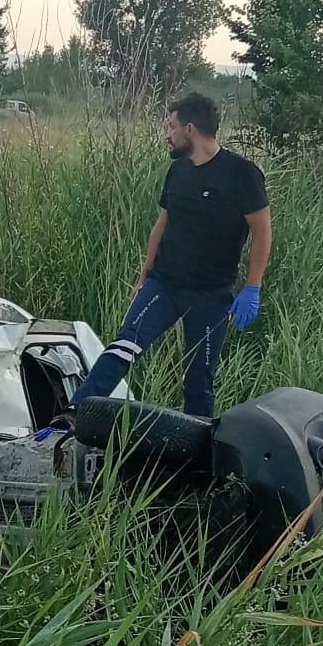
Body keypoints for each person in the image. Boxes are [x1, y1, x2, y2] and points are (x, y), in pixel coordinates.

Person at [64, 90, 271, 425]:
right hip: (165, 285)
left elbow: (262, 231)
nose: (167, 134)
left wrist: (252, 288)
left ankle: (197, 457)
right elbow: (162, 225)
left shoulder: (241, 174)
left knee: (199, 381)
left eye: (171, 126)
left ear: (189, 129)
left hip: (210, 296)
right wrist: (145, 277)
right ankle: (75, 415)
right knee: (123, 347)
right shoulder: (178, 171)